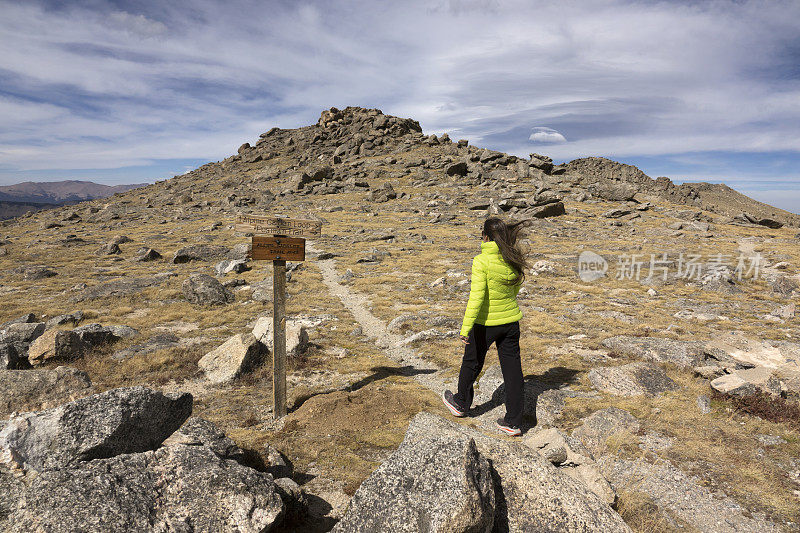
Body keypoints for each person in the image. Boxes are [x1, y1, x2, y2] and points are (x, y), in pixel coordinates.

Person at [442, 217, 529, 436]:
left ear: (486, 237)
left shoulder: (481, 261)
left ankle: (461, 403)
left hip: (484, 323)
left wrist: (465, 327)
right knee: (513, 371)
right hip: (510, 322)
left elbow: (476, 297)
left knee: (472, 362)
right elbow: (515, 289)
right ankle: (514, 422)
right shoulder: (511, 257)